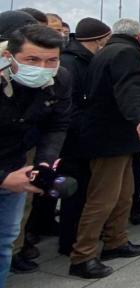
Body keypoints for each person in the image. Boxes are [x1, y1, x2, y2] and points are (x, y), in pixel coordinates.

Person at [70, 18, 140, 279]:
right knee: (102, 198)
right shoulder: (127, 53)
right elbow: (127, 89)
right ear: (139, 36)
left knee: (124, 193)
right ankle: (82, 255)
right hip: (110, 138)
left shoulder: (108, 51)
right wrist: (139, 117)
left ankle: (115, 241)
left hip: (116, 137)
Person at [0, 24, 70, 284]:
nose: (42, 67)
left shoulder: (60, 78)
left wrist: (44, 163)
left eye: (51, 60)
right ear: (9, 57)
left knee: (6, 240)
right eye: (32, 59)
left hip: (17, 164)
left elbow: (57, 124)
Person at [56, 18, 111, 258]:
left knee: (84, 190)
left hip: (84, 137)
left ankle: (76, 236)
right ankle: (70, 242)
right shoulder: (70, 62)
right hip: (74, 139)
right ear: (99, 39)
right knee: (75, 193)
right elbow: (70, 106)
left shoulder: (86, 60)